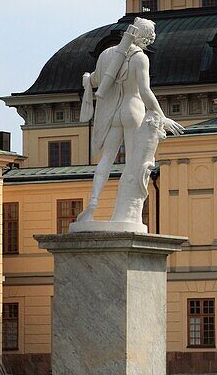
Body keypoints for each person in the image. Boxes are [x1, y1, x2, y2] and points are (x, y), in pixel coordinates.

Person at [77, 17, 184, 225]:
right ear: (143, 37)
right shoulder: (140, 58)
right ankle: (126, 212)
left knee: (106, 159)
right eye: (150, 36)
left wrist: (87, 79)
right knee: (134, 163)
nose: (151, 40)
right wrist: (161, 116)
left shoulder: (107, 54)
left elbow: (96, 81)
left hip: (112, 112)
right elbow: (145, 92)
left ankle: (93, 201)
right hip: (132, 109)